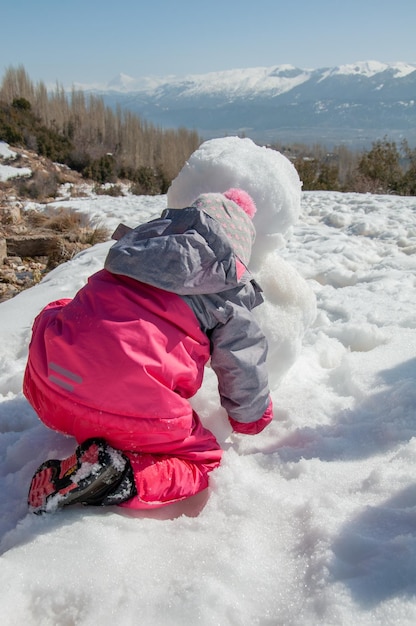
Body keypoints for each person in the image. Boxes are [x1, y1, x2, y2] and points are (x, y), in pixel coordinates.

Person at [24, 188, 273, 513]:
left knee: (64, 308)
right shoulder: (227, 293)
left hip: (47, 391)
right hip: (129, 413)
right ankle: (122, 477)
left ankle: (94, 448)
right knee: (202, 461)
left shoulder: (131, 250)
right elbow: (243, 363)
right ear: (237, 253)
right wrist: (251, 418)